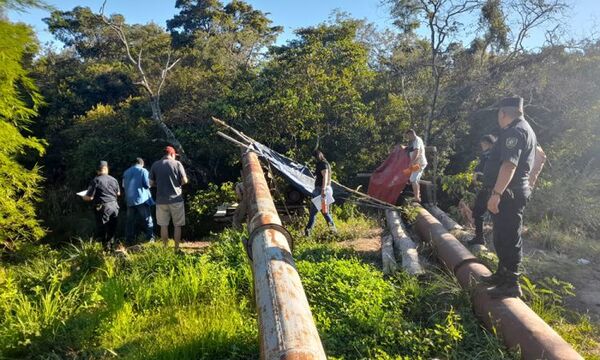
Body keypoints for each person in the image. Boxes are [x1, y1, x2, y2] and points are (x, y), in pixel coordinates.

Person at [480, 96, 537, 298]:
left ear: (503, 113)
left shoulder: (516, 131)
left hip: (508, 194)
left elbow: (509, 165)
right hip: (509, 193)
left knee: (510, 237)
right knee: (502, 236)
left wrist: (496, 194)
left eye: (498, 114)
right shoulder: (523, 128)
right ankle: (502, 275)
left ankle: (511, 283)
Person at [150, 146, 188, 251]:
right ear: (172, 154)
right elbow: (185, 180)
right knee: (177, 225)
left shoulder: (155, 165)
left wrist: (159, 185)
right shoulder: (177, 164)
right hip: (176, 199)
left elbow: (150, 183)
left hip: (161, 200)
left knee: (163, 225)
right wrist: (177, 184)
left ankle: (165, 249)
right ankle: (176, 248)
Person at [83, 161, 120, 251]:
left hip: (103, 208)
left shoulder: (96, 180)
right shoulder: (113, 179)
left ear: (97, 170)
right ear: (106, 168)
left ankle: (106, 250)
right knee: (112, 228)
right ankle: (113, 248)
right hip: (115, 206)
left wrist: (84, 197)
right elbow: (118, 193)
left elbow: (90, 197)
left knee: (103, 229)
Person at [467, 134, 497, 247]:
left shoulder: (491, 154)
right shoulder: (488, 154)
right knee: (480, 212)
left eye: (483, 143)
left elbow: (484, 170)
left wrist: (476, 175)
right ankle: (480, 238)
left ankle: (480, 238)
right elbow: (480, 168)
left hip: (490, 188)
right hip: (490, 187)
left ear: (488, 143)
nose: (482, 145)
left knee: (479, 212)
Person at [304, 150, 337, 236]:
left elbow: (325, 176)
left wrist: (323, 189)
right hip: (322, 190)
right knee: (325, 212)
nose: (314, 160)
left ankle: (308, 232)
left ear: (317, 156)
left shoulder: (323, 164)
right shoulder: (322, 163)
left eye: (314, 158)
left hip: (321, 190)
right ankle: (334, 231)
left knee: (313, 212)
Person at [122, 157, 155, 244]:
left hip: (129, 200)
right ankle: (150, 240)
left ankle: (129, 241)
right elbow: (148, 184)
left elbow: (123, 185)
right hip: (142, 199)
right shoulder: (143, 171)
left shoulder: (126, 172)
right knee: (148, 220)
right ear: (142, 164)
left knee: (130, 222)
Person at [405, 129, 428, 202]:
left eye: (408, 136)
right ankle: (417, 196)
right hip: (417, 163)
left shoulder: (417, 140)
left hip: (419, 163)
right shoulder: (414, 141)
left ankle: (417, 198)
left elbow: (417, 152)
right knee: (410, 176)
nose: (408, 138)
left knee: (413, 179)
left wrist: (412, 162)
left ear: (411, 134)